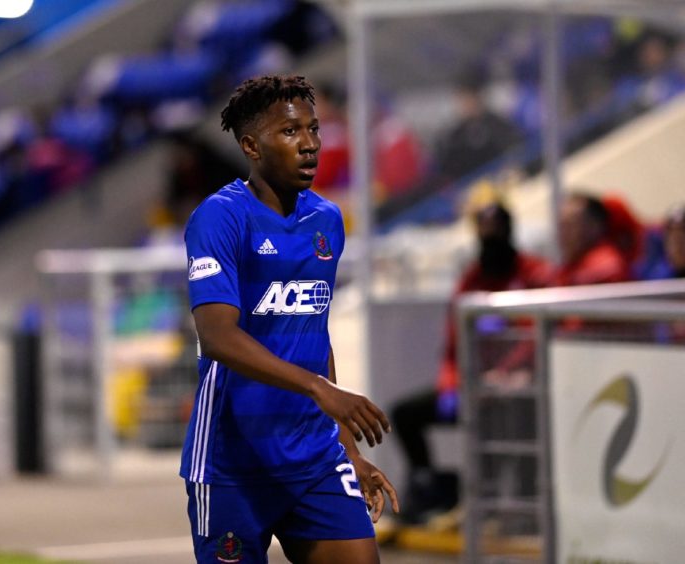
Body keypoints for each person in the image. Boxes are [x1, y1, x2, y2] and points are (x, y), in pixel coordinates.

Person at [181, 75, 398, 564]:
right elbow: (216, 337)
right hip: (232, 463)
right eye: (290, 132)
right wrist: (320, 390)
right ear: (251, 146)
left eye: (314, 130)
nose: (309, 145)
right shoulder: (220, 218)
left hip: (315, 458)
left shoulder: (327, 220)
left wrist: (347, 449)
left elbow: (314, 336)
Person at [391, 202, 551, 523]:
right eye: (483, 231)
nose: (490, 238)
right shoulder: (470, 279)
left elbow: (536, 334)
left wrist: (505, 373)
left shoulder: (534, 273)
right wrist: (451, 385)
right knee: (404, 413)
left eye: (496, 230)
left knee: (512, 424)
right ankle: (430, 488)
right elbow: (453, 343)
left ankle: (517, 506)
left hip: (520, 388)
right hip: (473, 385)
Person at [551, 191, 632, 286]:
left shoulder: (604, 268)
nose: (562, 233)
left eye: (570, 225)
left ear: (594, 227)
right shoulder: (574, 266)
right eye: (561, 226)